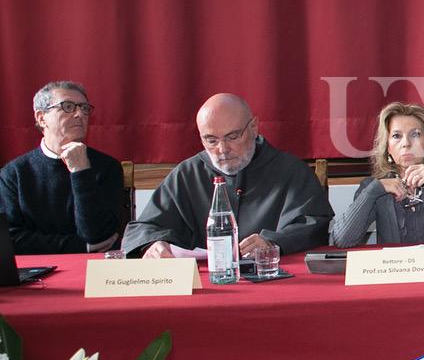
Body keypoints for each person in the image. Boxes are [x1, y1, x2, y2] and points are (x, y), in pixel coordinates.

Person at [122, 93, 333, 257]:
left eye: (232, 136)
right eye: (211, 140)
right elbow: (143, 228)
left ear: (253, 128)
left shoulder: (290, 171)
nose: (222, 149)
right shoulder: (187, 174)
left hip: (274, 282)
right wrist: (153, 244)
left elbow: (316, 225)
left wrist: (275, 242)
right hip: (203, 287)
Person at [329, 102, 424, 247]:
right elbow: (342, 240)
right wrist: (372, 191)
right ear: (387, 146)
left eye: (415, 134)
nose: (406, 143)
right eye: (396, 136)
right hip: (393, 271)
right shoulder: (374, 187)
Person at [0, 81, 125, 254]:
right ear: (41, 117)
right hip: (37, 272)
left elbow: (99, 235)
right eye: (68, 106)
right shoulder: (14, 173)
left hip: (94, 270)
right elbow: (11, 239)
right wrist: (80, 247)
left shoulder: (108, 167)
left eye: (84, 108)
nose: (79, 114)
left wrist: (81, 171)